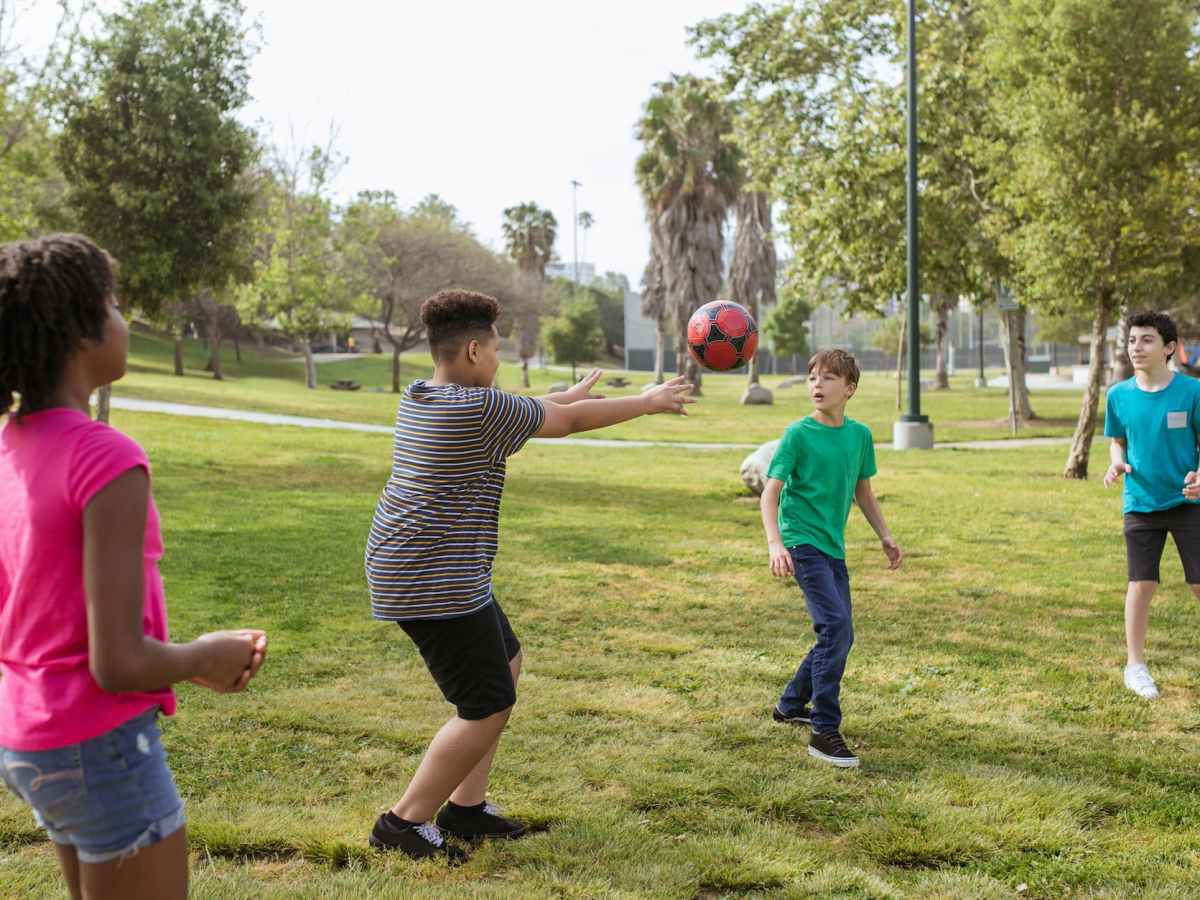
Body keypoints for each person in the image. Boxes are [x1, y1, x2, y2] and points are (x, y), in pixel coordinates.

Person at [364, 289, 692, 861]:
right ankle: (403, 822)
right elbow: (563, 423)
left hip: (429, 568)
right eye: (496, 351)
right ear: (472, 350)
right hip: (431, 578)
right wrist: (646, 401)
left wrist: (562, 397)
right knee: (486, 703)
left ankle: (465, 809)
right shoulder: (478, 409)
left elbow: (540, 409)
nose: (500, 361)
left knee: (506, 665)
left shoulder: (423, 395)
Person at [0, 234, 268, 900]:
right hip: (100, 746)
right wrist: (208, 654)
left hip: (28, 740)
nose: (125, 319)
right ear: (80, 332)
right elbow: (115, 662)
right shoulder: (106, 458)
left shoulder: (10, 447)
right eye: (115, 304)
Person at [759, 349, 902, 768]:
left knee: (840, 634)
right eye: (812, 378)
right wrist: (775, 544)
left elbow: (863, 492)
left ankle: (789, 705)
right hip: (802, 543)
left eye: (828, 379)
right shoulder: (798, 434)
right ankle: (824, 730)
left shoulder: (859, 436)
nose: (817, 385)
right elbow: (771, 493)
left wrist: (886, 535)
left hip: (833, 547)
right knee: (835, 626)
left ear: (850, 389)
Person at [1103, 311, 1200, 699]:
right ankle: (1135, 666)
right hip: (1140, 502)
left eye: (1146, 340)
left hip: (1189, 501)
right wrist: (1115, 462)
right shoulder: (1118, 395)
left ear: (1170, 348)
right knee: (1141, 584)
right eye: (1131, 340)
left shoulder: (1192, 392)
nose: (1136, 348)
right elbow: (1118, 440)